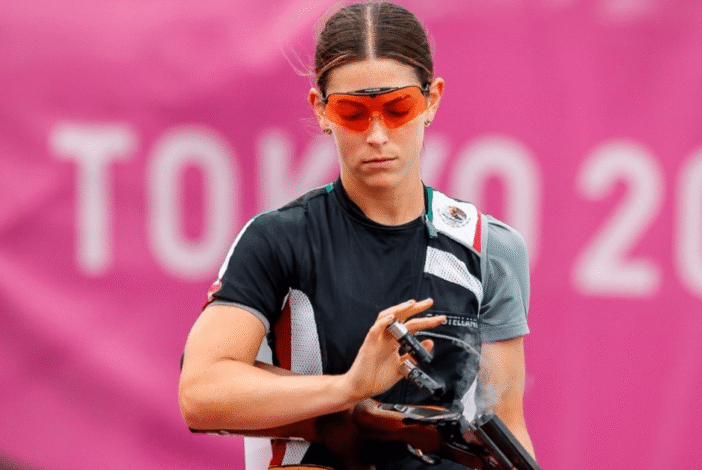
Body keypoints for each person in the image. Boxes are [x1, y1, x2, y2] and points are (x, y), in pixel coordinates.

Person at [178, 2, 535, 469]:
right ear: (320, 110)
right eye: (353, 111)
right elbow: (201, 393)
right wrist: (350, 388)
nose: (378, 134)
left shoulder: (490, 248)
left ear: (432, 100)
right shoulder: (279, 239)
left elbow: (506, 423)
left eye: (397, 107)